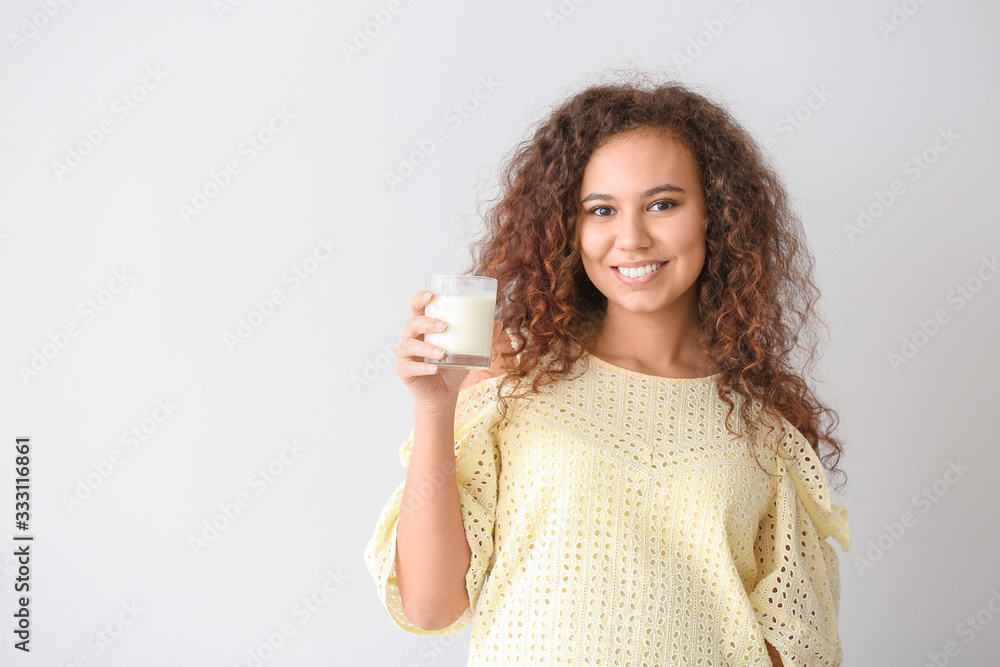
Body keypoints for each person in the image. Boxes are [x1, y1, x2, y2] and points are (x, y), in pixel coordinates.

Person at [364, 67, 850, 666]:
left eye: (663, 204)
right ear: (569, 226)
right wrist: (434, 408)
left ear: (714, 215)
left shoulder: (762, 424)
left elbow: (796, 647)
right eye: (601, 210)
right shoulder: (513, 375)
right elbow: (432, 606)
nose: (632, 238)